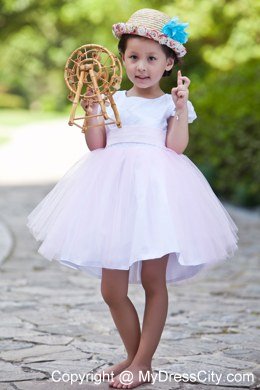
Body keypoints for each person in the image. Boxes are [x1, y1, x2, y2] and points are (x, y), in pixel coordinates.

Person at [27, 8, 239, 389]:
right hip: (114, 195)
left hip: (157, 195)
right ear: (122, 59)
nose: (141, 67)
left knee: (154, 281)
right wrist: (92, 107)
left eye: (152, 58)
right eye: (133, 57)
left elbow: (176, 148)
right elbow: (96, 145)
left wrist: (177, 109)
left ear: (169, 63)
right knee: (112, 289)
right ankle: (131, 354)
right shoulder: (113, 100)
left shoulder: (169, 104)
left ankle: (143, 363)